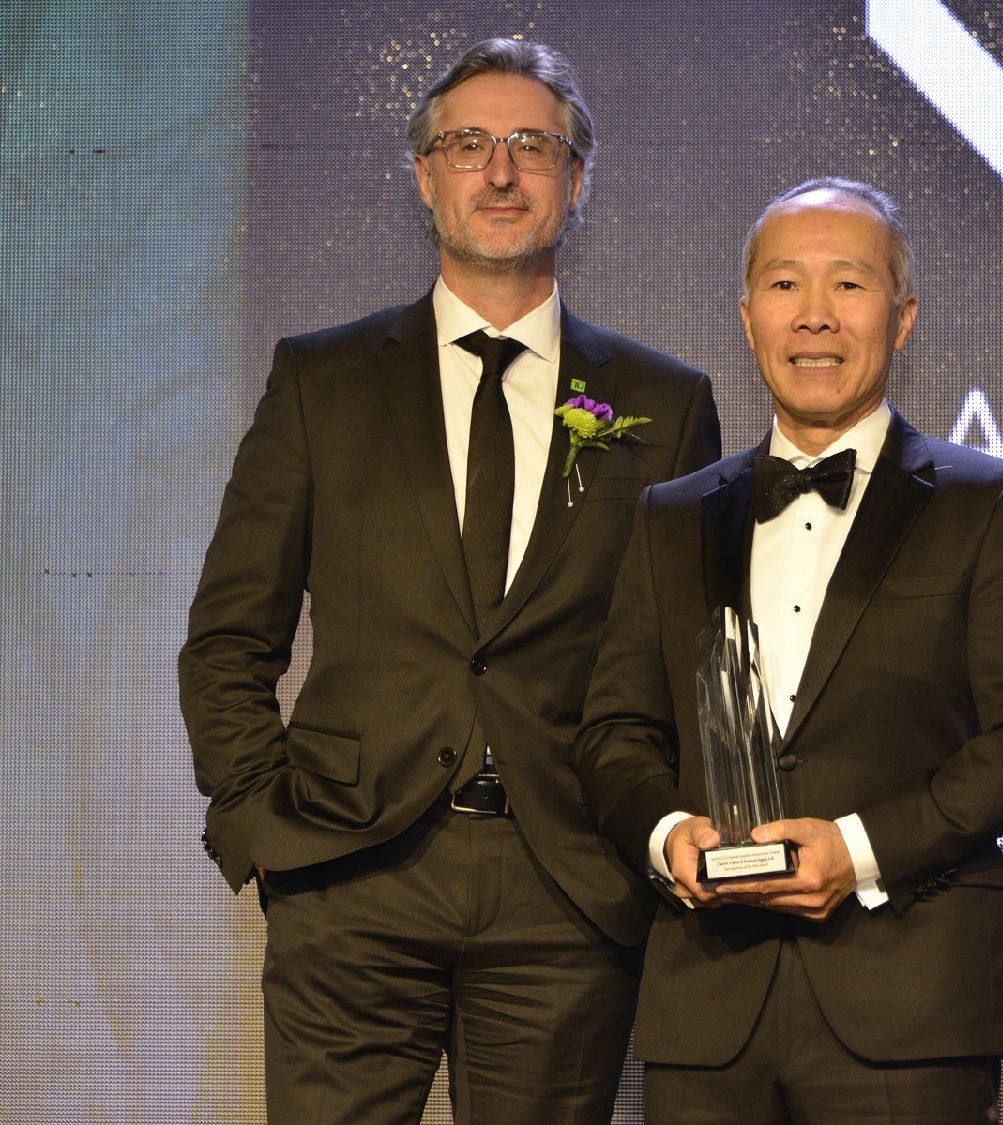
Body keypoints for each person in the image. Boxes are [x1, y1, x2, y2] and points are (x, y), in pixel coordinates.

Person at [179, 38, 719, 1125]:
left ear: (578, 178)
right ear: (425, 176)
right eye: (469, 145)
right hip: (348, 872)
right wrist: (263, 828)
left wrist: (649, 847)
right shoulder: (322, 379)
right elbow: (231, 638)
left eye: (533, 146)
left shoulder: (664, 403)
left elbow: (686, 667)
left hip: (565, 887)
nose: (501, 171)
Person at [572, 178, 1003, 1123]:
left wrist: (857, 850)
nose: (814, 314)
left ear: (903, 318)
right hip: (707, 1008)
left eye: (848, 284)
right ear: (747, 318)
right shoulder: (672, 516)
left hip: (911, 1006)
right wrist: (667, 835)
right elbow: (615, 731)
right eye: (785, 285)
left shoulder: (990, 502)